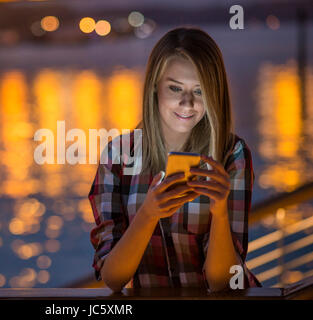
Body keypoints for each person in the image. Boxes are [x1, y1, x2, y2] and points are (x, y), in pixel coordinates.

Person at [88, 27, 261, 293]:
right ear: (154, 88)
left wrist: (220, 212)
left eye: (200, 91)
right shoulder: (118, 156)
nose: (187, 103)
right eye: (175, 88)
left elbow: (222, 283)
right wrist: (148, 214)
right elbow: (113, 278)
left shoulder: (231, 154)